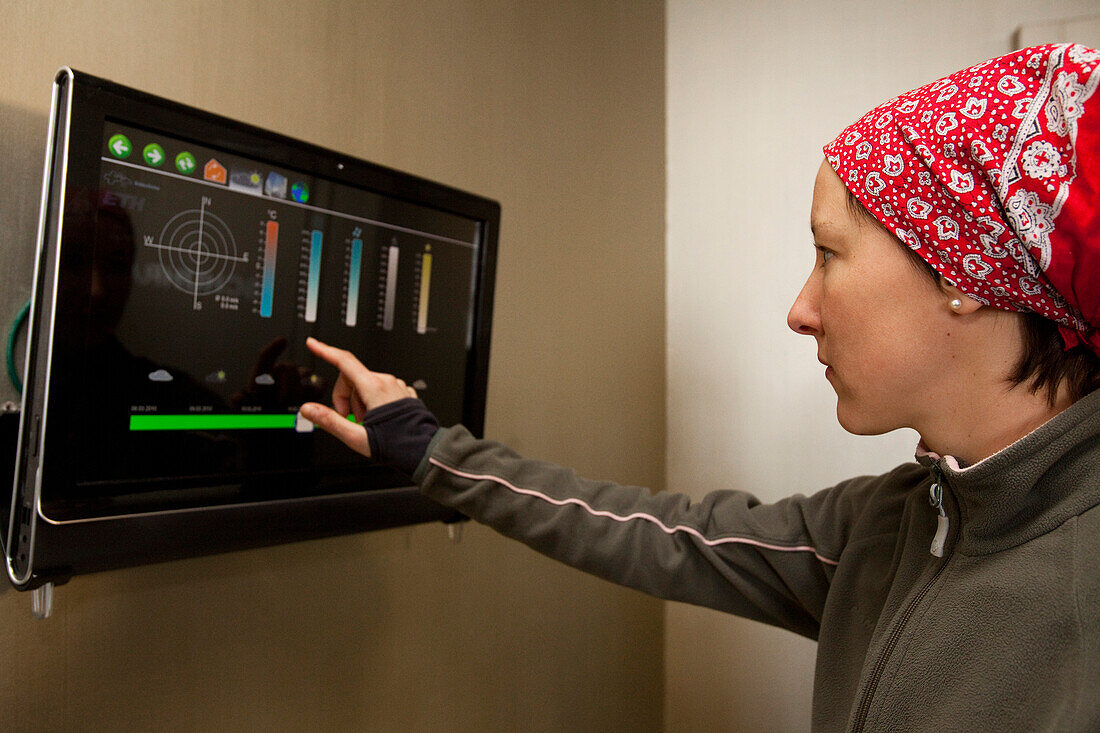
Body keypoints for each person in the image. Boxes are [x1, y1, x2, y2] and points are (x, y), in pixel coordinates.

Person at [300, 43, 1100, 731]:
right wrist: (429, 447)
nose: (801, 309)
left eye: (829, 252)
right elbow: (668, 533)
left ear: (964, 272)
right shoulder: (896, 521)